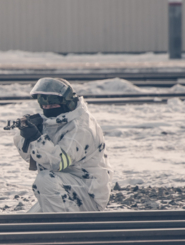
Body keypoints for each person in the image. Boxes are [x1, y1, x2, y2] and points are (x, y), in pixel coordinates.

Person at [13, 78, 112, 213]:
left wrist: (37, 139)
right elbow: (33, 159)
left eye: (52, 106)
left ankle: (66, 229)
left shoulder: (80, 127)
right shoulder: (53, 122)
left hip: (88, 193)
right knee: (26, 226)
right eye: (44, 106)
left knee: (45, 180)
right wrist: (26, 137)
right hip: (65, 186)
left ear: (67, 104)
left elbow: (59, 163)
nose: (47, 109)